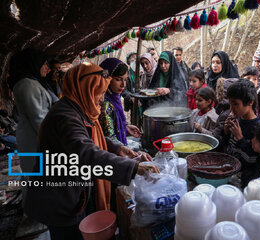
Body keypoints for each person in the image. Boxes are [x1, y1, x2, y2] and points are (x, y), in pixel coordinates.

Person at [23, 63, 159, 240]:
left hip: (71, 192)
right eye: (100, 93)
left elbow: (93, 135)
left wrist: (118, 147)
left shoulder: (77, 109)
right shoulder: (65, 117)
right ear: (84, 89)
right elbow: (87, 153)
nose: (102, 99)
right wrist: (133, 167)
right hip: (60, 199)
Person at [7, 48, 55, 172]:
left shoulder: (35, 82)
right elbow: (37, 117)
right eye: (44, 63)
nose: (47, 67)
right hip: (32, 137)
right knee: (33, 174)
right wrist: (52, 139)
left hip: (35, 136)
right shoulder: (26, 85)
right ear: (34, 63)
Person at [99, 58, 143, 146]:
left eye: (125, 79)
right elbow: (109, 138)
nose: (123, 84)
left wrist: (125, 128)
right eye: (118, 79)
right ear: (107, 78)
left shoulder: (114, 97)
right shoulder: (104, 103)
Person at [222, 80, 260, 168]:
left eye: (235, 104)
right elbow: (226, 147)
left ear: (250, 102)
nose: (231, 109)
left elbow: (253, 159)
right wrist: (225, 132)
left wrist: (240, 138)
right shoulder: (236, 119)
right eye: (230, 103)